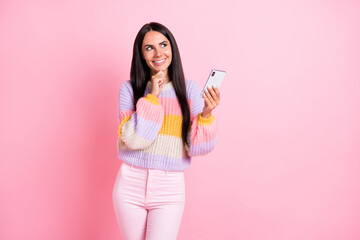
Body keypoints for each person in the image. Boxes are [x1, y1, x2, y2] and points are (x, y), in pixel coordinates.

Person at [112, 22, 220, 240]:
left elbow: (197, 146)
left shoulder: (188, 90)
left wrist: (206, 114)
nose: (158, 52)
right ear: (141, 55)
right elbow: (134, 139)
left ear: (172, 49)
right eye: (149, 48)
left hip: (169, 188)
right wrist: (152, 96)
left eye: (163, 44)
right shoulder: (129, 89)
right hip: (130, 183)